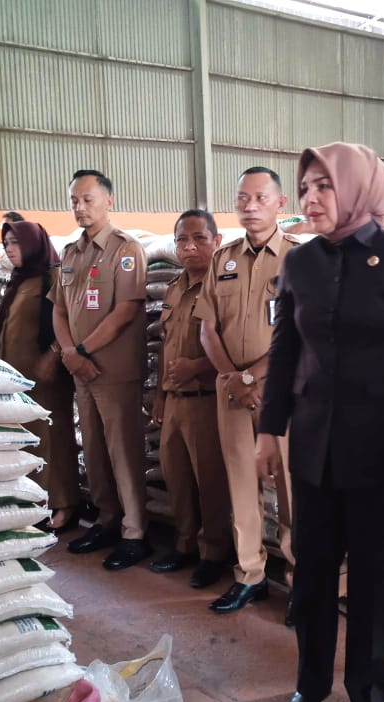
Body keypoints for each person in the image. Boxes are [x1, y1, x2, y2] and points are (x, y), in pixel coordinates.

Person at [257, 142, 384, 702]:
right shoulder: (302, 264)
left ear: (358, 189)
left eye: (324, 186)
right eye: (305, 186)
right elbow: (285, 350)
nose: (311, 198)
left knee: (374, 577)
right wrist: (269, 428)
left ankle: (370, 695)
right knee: (311, 574)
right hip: (314, 448)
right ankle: (311, 684)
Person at [195, 166, 300, 616]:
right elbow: (207, 328)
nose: (249, 205)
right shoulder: (224, 259)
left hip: (284, 394)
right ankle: (249, 575)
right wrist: (233, 379)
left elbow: (302, 332)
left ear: (280, 204)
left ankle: (302, 581)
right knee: (242, 487)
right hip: (233, 393)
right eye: (242, 198)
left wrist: (253, 377)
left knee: (293, 489)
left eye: (260, 197)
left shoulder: (299, 260)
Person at [50, 169, 151, 570]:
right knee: (92, 449)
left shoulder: (126, 250)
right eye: (74, 199)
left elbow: (126, 310)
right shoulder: (71, 253)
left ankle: (135, 532)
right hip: (81, 370)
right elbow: (59, 308)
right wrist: (70, 353)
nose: (79, 207)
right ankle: (108, 519)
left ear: (109, 201)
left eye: (87, 199)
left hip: (113, 370)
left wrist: (83, 350)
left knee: (123, 452)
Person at [149, 210, 233, 589]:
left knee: (209, 482)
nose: (189, 247)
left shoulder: (225, 288)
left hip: (206, 399)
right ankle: (185, 545)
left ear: (216, 241)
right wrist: (160, 396)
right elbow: (166, 347)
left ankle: (214, 552)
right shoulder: (173, 288)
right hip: (174, 399)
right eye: (182, 240)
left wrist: (197, 368)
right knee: (177, 477)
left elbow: (233, 349)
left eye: (199, 238)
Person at [0, 220, 84, 531]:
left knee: (55, 440)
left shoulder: (51, 277)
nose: (9, 249)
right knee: (30, 443)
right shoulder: (19, 280)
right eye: (6, 243)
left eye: (15, 243)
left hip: (46, 375)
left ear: (32, 245)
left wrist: (52, 355)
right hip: (19, 379)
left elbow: (67, 320)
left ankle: (64, 504)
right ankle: (35, 502)